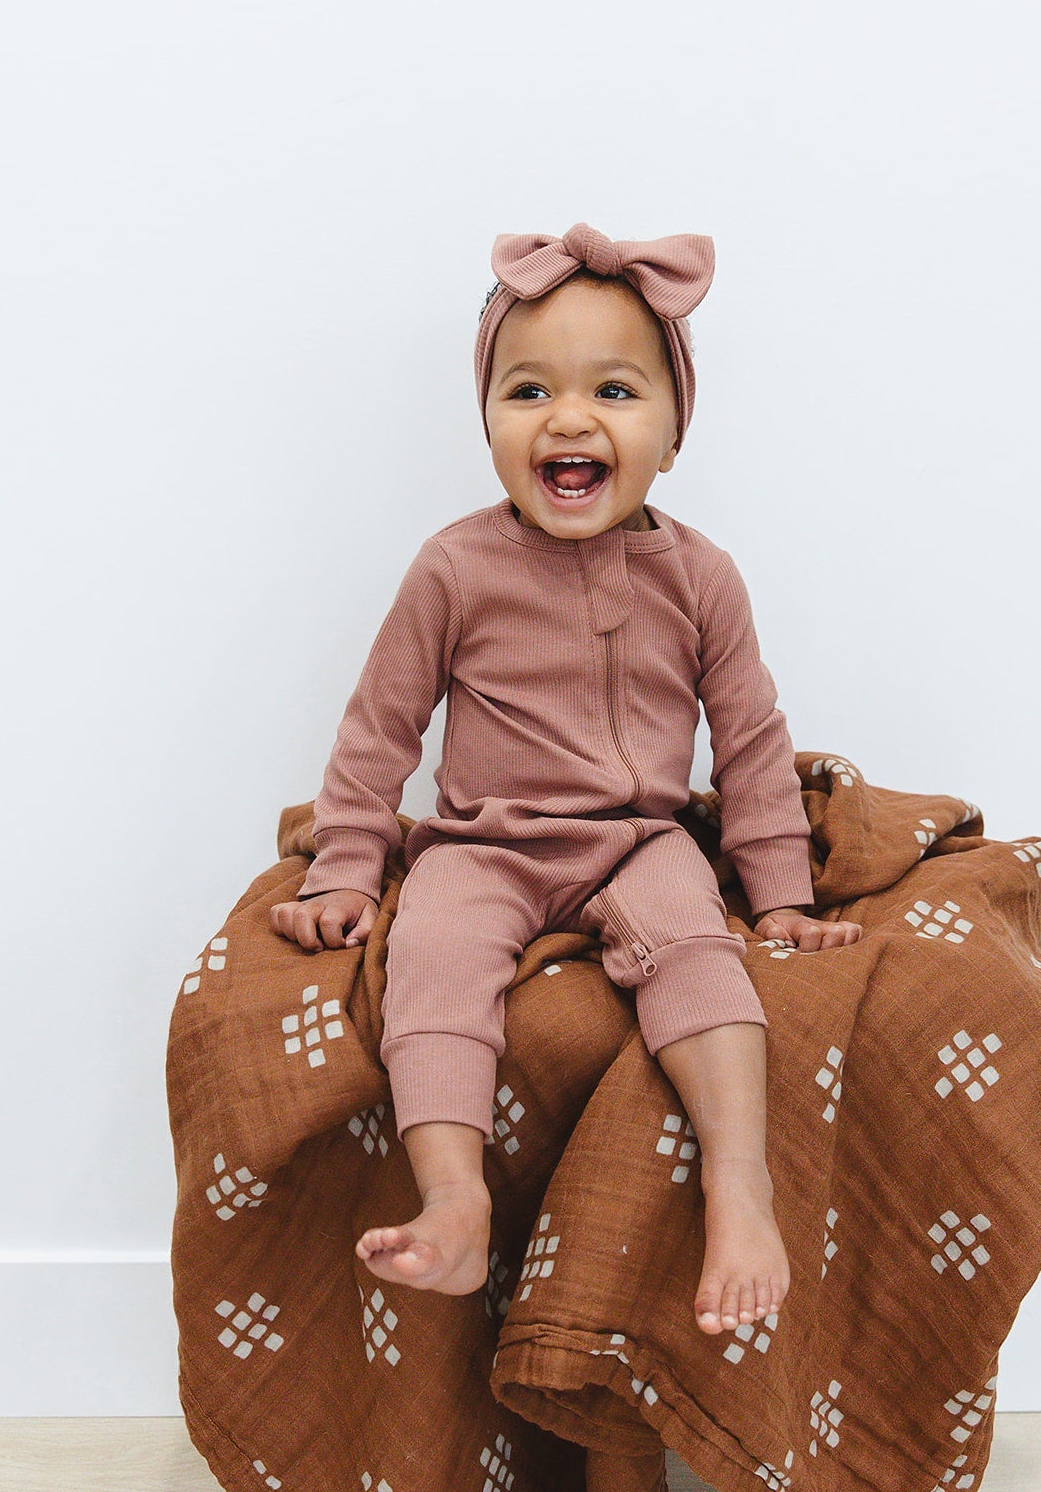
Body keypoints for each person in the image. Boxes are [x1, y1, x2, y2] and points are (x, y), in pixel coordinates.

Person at [268, 222, 862, 1337]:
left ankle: (741, 1189)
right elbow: (379, 731)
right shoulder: (454, 567)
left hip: (640, 842)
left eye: (616, 391)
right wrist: (345, 866)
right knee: (430, 957)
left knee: (698, 949)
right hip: (482, 846)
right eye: (529, 390)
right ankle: (455, 1200)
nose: (570, 419)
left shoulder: (702, 577)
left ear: (673, 433)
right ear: (488, 422)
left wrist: (780, 896)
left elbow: (750, 742)